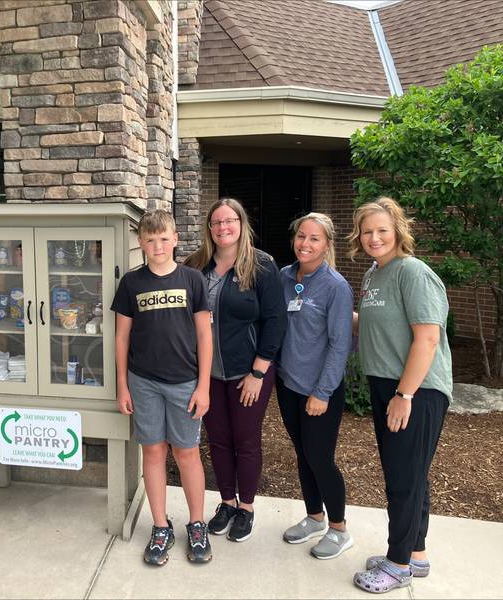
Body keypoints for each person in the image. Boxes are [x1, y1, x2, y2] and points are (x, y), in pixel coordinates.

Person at [349, 197, 453, 593]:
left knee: (403, 479)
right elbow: (370, 326)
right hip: (386, 384)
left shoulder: (413, 272)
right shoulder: (375, 274)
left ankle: (397, 565)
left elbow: (427, 339)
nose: (374, 237)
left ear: (398, 231)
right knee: (412, 474)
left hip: (417, 389)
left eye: (382, 230)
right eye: (367, 231)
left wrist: (404, 394)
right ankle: (416, 554)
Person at [111, 209, 213, 566]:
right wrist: (122, 385)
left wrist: (204, 386)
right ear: (140, 243)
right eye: (150, 239)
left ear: (175, 240)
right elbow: (121, 337)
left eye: (164, 239)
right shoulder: (131, 283)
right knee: (152, 452)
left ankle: (196, 524)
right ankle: (160, 526)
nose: (157, 245)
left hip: (185, 382)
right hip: (143, 382)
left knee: (186, 453)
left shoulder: (193, 280)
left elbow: (204, 334)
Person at [184, 197, 286, 542]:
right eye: (216, 222)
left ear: (241, 224)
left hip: (249, 373)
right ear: (208, 228)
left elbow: (275, 321)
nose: (223, 228)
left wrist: (258, 372)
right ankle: (226, 502)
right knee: (218, 440)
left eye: (230, 221)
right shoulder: (197, 266)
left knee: (245, 439)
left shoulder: (262, 266)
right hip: (208, 375)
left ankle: (247, 507)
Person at [275, 213, 354, 559]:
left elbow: (340, 344)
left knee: (321, 459)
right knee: (303, 456)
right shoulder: (284, 277)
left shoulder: (335, 286)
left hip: (319, 390)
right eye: (301, 237)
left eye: (314, 239)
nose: (305, 244)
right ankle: (314, 517)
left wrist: (322, 392)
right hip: (288, 384)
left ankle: (339, 529)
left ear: (327, 245)